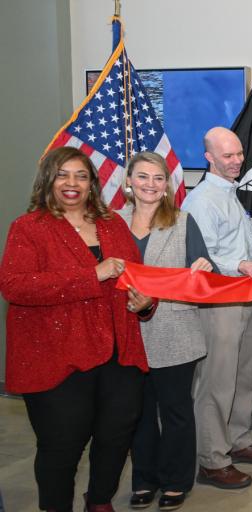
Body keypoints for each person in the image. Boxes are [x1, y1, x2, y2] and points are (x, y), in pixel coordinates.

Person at [0, 146, 154, 512]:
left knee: (117, 434)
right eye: (63, 175)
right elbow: (15, 286)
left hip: (118, 351)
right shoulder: (29, 228)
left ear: (92, 183)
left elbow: (135, 277)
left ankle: (99, 500)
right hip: (57, 357)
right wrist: (91, 275)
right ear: (48, 181)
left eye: (81, 176)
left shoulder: (113, 223)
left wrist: (145, 302)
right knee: (62, 445)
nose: (72, 183)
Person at [117, 152, 216, 510]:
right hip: (128, 334)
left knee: (175, 412)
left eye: (158, 178)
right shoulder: (111, 223)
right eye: (142, 177)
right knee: (138, 415)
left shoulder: (182, 220)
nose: (150, 185)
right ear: (128, 181)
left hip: (175, 332)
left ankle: (176, 481)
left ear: (167, 184)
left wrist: (205, 268)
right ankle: (145, 479)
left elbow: (204, 274)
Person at [181, 127, 252, 490]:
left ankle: (237, 441)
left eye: (238, 154)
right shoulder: (201, 199)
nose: (237, 161)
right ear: (209, 158)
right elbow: (200, 254)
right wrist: (239, 264)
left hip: (246, 298)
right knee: (217, 382)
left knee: (242, 376)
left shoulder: (230, 194)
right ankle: (211, 459)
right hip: (220, 301)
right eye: (228, 156)